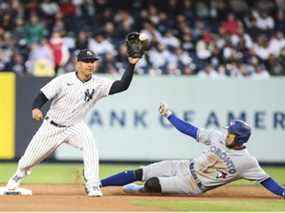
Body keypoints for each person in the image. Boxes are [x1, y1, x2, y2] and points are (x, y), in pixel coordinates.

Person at [2, 49, 141, 197]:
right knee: (28, 160)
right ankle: (14, 182)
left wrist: (131, 65)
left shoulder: (99, 83)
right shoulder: (63, 80)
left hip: (76, 126)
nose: (90, 64)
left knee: (90, 146)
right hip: (52, 126)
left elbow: (122, 85)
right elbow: (42, 96)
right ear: (78, 64)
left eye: (93, 61)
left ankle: (93, 184)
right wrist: (36, 108)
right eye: (86, 61)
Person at [100, 103, 285, 198]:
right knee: (141, 171)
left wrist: (283, 192)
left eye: (231, 132)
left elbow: (266, 180)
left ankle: (141, 190)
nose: (227, 132)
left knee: (153, 184)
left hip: (192, 185)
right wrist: (169, 115)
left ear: (239, 139)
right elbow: (190, 130)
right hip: (185, 166)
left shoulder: (247, 162)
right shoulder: (217, 136)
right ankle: (98, 183)